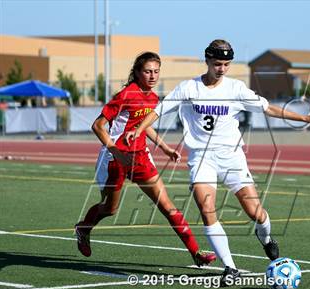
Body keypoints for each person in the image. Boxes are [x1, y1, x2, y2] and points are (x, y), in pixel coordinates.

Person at [125, 41, 310, 286]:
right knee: (206, 209)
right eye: (217, 64)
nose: (222, 69)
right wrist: (139, 129)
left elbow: (268, 108)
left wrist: (305, 117)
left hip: (231, 156)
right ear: (207, 61)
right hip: (201, 157)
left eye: (226, 64)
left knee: (256, 213)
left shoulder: (236, 88)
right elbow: (158, 110)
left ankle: (265, 238)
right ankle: (230, 268)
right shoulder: (189, 87)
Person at [74, 52, 216, 267]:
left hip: (140, 157)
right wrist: (115, 150)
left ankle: (196, 253)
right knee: (110, 209)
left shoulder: (152, 97)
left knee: (168, 206)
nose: (153, 76)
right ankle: (83, 229)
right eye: (148, 71)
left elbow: (145, 125)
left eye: (156, 71)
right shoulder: (125, 95)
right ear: (138, 72)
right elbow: (98, 126)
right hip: (115, 159)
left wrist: (165, 148)